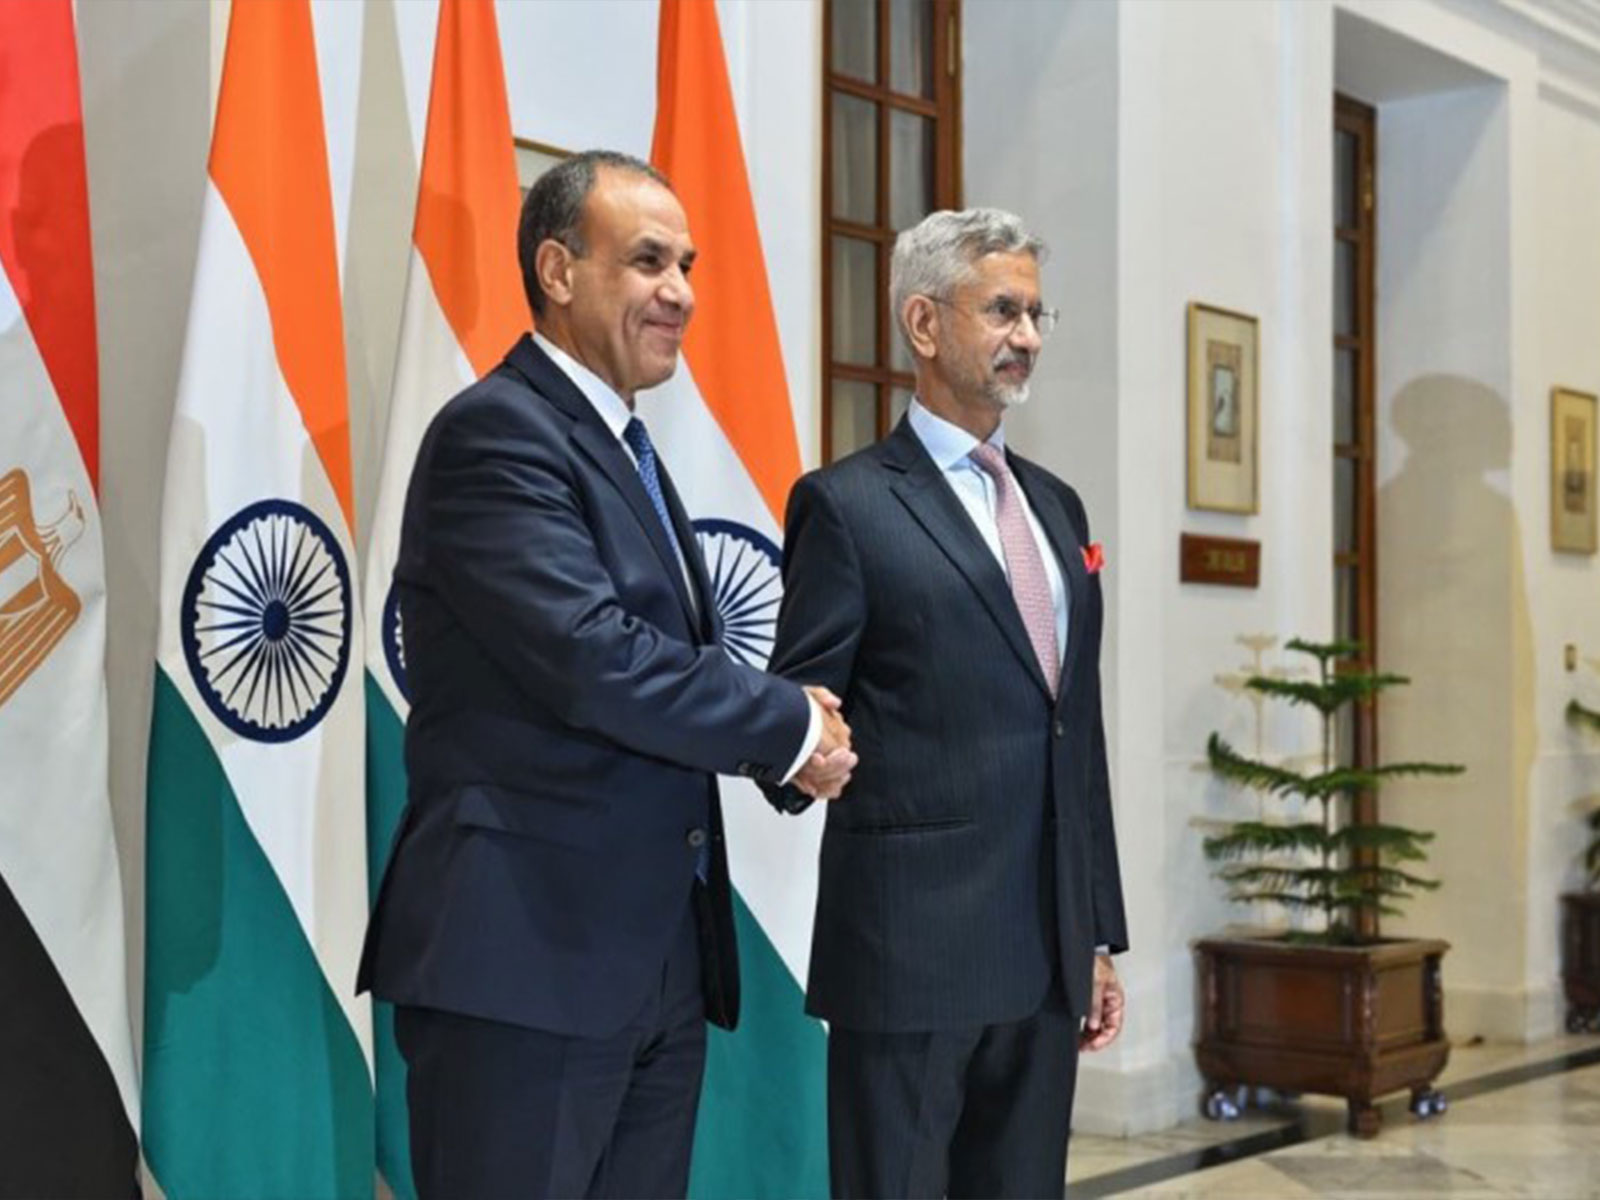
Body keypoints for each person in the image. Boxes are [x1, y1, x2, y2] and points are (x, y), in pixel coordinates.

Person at [358, 149, 856, 1200]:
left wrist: (786, 730)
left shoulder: (623, 443)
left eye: (686, 264)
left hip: (649, 961)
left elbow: (659, 662)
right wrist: (785, 727)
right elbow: (595, 661)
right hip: (522, 962)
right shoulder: (497, 434)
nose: (680, 292)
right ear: (556, 268)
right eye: (645, 261)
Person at [765, 208, 1129, 1198]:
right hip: (910, 955)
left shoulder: (1056, 508)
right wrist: (799, 757)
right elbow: (800, 701)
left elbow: (1073, 730)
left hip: (1043, 951)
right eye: (1002, 310)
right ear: (923, 324)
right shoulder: (846, 505)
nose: (1028, 337)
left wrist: (1094, 932)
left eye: (1037, 314)